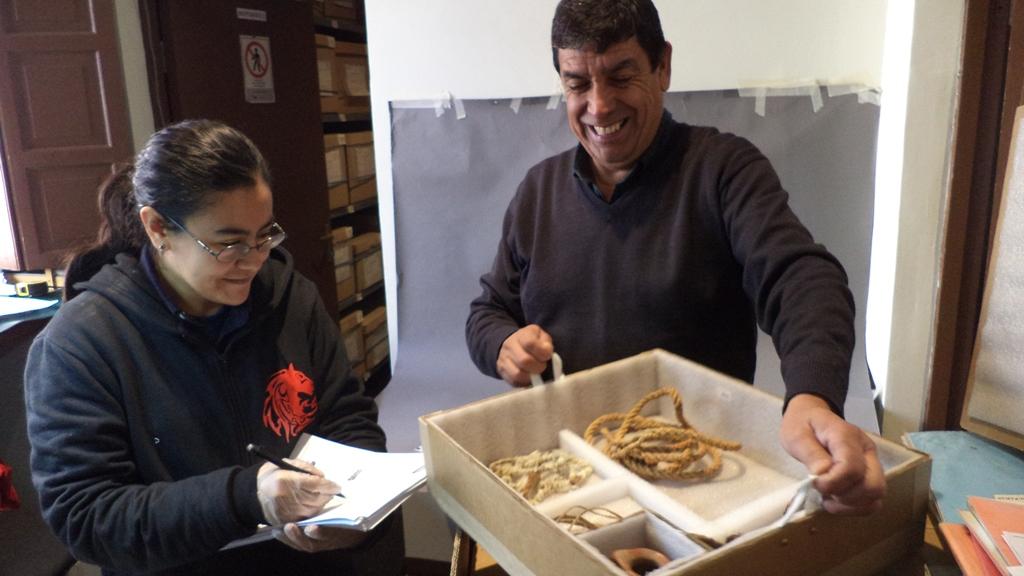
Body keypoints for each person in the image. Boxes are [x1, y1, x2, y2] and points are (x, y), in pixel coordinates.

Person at [466, 0, 885, 516]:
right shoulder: (537, 191)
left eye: (621, 77)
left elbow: (802, 279)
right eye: (577, 84)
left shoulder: (723, 170)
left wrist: (812, 396)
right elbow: (488, 311)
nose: (598, 106)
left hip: (696, 475)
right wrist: (501, 343)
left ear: (662, 66)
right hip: (567, 470)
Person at [24, 120, 401, 575]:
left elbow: (347, 418)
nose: (256, 258)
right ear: (158, 227)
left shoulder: (290, 298)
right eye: (229, 243)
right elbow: (86, 517)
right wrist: (245, 498)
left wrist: (355, 517)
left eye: (265, 234)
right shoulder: (83, 342)